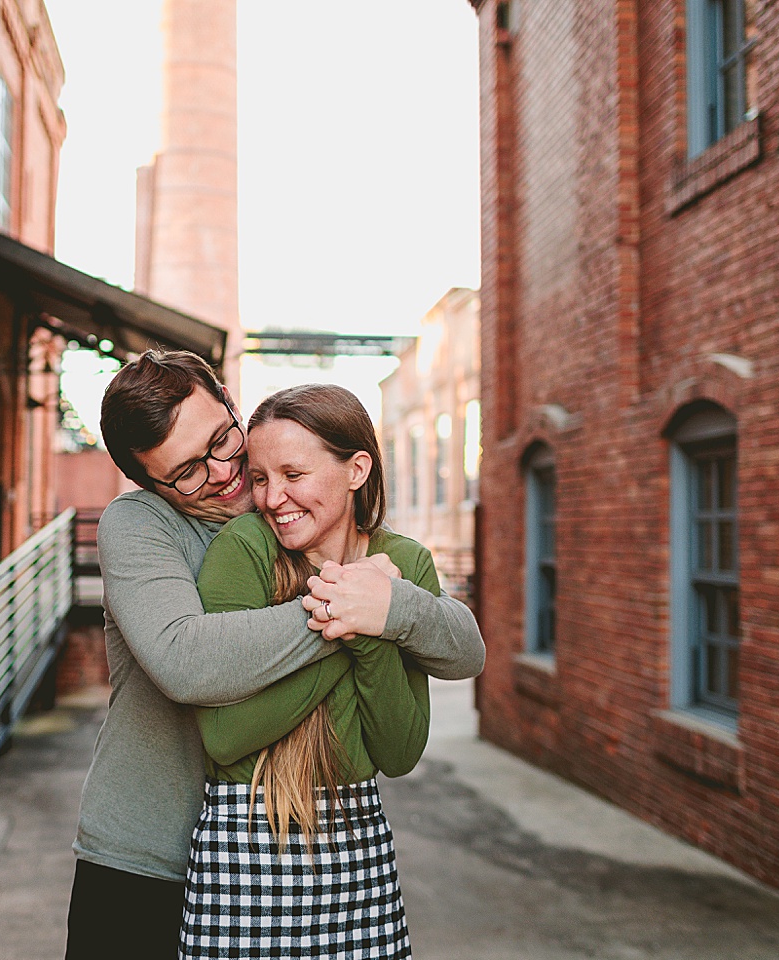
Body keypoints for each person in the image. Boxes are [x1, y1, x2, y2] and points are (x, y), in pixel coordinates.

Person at [65, 350, 484, 960]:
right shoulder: (142, 524)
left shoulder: (294, 523)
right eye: (186, 471)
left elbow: (459, 647)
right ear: (149, 481)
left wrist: (392, 606)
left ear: (232, 405)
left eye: (222, 439)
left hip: (283, 858)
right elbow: (184, 659)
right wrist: (350, 609)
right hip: (144, 857)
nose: (222, 472)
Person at [180, 383, 429, 959]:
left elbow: (398, 751)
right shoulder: (244, 548)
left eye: (293, 474)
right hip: (242, 846)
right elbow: (225, 737)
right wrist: (355, 623)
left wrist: (372, 633)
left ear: (356, 469)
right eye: (261, 478)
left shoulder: (407, 563)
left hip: (360, 844)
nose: (271, 498)